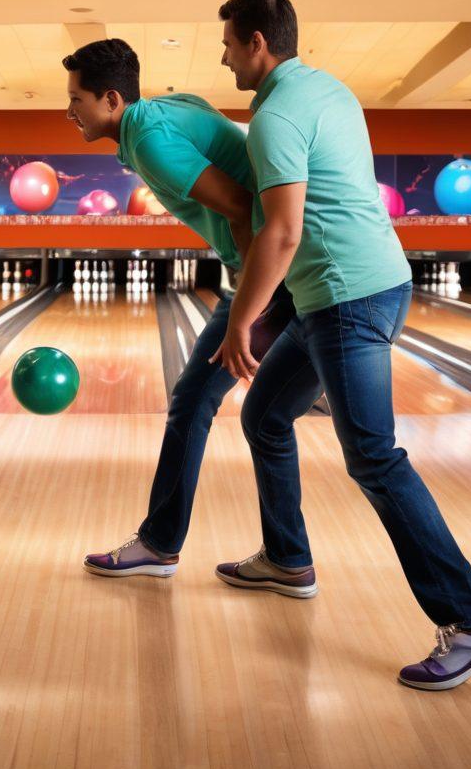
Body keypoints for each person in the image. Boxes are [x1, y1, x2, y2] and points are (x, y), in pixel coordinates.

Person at [210, 0, 471, 690]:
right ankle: (288, 559)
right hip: (360, 287)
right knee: (266, 415)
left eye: (228, 41)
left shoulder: (276, 116)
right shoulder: (328, 91)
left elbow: (282, 231)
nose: (222, 54)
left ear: (258, 42)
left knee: (375, 460)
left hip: (347, 297)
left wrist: (239, 319)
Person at [63, 39, 300, 587]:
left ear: (111, 99)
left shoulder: (147, 141)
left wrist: (248, 298)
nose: (68, 110)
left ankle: (160, 544)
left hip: (273, 272)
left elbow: (241, 206)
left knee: (195, 402)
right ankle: (286, 556)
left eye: (76, 99)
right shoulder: (176, 106)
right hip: (282, 265)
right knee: (260, 417)